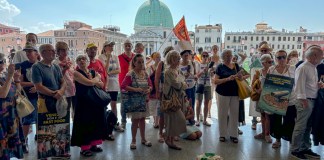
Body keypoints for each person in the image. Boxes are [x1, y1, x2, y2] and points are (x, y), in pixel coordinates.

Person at [290, 45, 323, 159]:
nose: (322, 57)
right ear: (314, 56)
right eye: (321, 55)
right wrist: (303, 100)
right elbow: (299, 85)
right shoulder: (303, 67)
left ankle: (304, 148)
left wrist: (318, 85)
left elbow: (308, 84)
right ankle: (295, 150)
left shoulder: (313, 67)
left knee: (308, 126)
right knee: (301, 125)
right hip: (305, 101)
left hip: (311, 100)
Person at [71, 54, 105, 157]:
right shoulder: (76, 73)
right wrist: (97, 78)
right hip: (83, 102)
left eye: (84, 59)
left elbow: (101, 85)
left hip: (94, 101)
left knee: (94, 122)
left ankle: (94, 145)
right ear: (77, 62)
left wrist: (94, 80)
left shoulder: (92, 72)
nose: (82, 61)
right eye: (79, 59)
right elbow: (89, 83)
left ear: (87, 61)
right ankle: (84, 148)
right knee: (84, 124)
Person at [121, 54, 152, 150]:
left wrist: (149, 90)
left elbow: (150, 85)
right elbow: (123, 86)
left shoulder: (145, 73)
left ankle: (143, 139)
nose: (141, 64)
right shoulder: (130, 74)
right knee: (135, 121)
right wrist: (136, 89)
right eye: (139, 62)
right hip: (134, 102)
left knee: (143, 120)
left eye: (142, 62)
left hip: (143, 101)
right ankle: (133, 140)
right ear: (134, 63)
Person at [268, 50, 297, 148]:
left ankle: (290, 140)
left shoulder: (293, 68)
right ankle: (277, 140)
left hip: (290, 100)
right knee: (276, 121)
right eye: (279, 57)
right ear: (275, 59)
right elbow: (267, 85)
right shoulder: (271, 69)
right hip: (276, 101)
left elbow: (298, 83)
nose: (281, 59)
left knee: (289, 121)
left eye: (283, 57)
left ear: (287, 58)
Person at [214, 50, 244, 143]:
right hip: (223, 93)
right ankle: (222, 134)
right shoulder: (220, 67)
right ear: (222, 57)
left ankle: (234, 135)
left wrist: (239, 76)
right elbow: (215, 81)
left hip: (235, 93)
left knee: (234, 114)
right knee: (222, 114)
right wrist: (227, 79)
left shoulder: (236, 65)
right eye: (226, 55)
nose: (228, 57)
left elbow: (242, 78)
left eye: (230, 55)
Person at [0, 54, 25, 159]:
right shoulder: (7, 75)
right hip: (2, 118)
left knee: (10, 145)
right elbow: (3, 94)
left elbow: (18, 91)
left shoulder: (4, 75)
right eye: (1, 61)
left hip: (11, 115)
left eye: (3, 61)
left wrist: (17, 79)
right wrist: (10, 76)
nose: (3, 63)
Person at [98, 41, 124, 136]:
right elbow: (104, 70)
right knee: (104, 105)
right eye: (109, 46)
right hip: (105, 85)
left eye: (112, 45)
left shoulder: (116, 57)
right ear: (105, 47)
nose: (111, 47)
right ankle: (105, 124)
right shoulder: (101, 57)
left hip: (114, 84)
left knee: (114, 105)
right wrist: (108, 58)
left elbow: (119, 70)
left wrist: (110, 72)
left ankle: (114, 123)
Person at [163, 50, 187, 150]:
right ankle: (169, 139)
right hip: (171, 98)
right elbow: (177, 84)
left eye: (178, 58)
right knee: (176, 119)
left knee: (174, 120)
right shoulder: (168, 71)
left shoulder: (177, 70)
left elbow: (183, 82)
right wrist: (183, 85)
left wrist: (183, 85)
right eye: (176, 58)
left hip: (178, 97)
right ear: (171, 59)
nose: (178, 60)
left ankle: (170, 139)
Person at [17, 42, 39, 153]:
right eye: (27, 52)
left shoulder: (40, 65)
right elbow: (20, 82)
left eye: (30, 51)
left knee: (40, 118)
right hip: (28, 97)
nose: (28, 54)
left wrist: (38, 86)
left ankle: (39, 138)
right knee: (27, 120)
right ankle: (23, 142)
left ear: (36, 53)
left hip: (41, 97)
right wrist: (35, 85)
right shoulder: (23, 65)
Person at [155, 46, 174, 143]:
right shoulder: (161, 64)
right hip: (163, 92)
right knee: (162, 114)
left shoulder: (175, 65)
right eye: (169, 52)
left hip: (173, 93)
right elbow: (157, 78)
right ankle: (160, 133)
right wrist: (157, 91)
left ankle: (170, 133)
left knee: (172, 113)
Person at [253, 54, 273, 143]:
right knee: (262, 115)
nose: (270, 63)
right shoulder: (258, 72)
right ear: (263, 63)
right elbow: (253, 84)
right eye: (269, 61)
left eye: (271, 61)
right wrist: (257, 91)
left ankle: (267, 134)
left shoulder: (273, 71)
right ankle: (263, 133)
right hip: (260, 97)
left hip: (269, 97)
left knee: (268, 116)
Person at [53, 42, 76, 118]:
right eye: (62, 50)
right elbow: (56, 78)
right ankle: (66, 128)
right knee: (66, 110)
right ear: (58, 51)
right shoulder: (55, 63)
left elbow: (74, 73)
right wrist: (64, 69)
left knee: (75, 110)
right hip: (64, 90)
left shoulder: (70, 60)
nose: (65, 52)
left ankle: (74, 127)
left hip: (74, 88)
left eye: (66, 50)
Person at [118, 39, 135, 129]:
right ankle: (123, 122)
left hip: (134, 84)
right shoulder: (119, 57)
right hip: (123, 84)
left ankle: (134, 121)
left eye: (129, 45)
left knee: (134, 103)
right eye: (126, 45)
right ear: (123, 47)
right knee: (124, 104)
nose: (128, 47)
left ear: (132, 46)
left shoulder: (135, 57)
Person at [179, 41, 196, 124]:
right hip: (183, 87)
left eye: (187, 55)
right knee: (183, 104)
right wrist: (184, 77)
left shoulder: (192, 63)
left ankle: (191, 118)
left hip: (192, 86)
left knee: (191, 103)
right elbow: (178, 77)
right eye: (185, 55)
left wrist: (192, 76)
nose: (186, 57)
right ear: (181, 56)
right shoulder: (179, 65)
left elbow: (194, 74)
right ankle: (183, 119)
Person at [195, 52, 213, 126]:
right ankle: (198, 120)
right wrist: (203, 71)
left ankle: (205, 120)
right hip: (200, 84)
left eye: (206, 56)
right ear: (201, 57)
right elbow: (197, 76)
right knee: (199, 102)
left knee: (206, 102)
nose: (205, 57)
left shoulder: (209, 65)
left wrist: (211, 72)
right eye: (204, 56)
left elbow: (212, 76)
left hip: (208, 85)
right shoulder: (198, 64)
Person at [147, 52, 161, 128]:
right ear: (154, 58)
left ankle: (157, 122)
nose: (159, 59)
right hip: (152, 89)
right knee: (153, 105)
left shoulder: (162, 68)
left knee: (158, 105)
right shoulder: (150, 68)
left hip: (159, 88)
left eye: (159, 57)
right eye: (157, 57)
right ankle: (155, 121)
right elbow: (148, 78)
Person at [208, 45, 220, 118]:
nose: (215, 50)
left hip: (217, 79)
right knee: (210, 97)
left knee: (218, 96)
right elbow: (208, 68)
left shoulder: (220, 58)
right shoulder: (210, 58)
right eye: (214, 49)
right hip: (211, 79)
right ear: (212, 50)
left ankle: (219, 112)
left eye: (216, 49)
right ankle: (209, 112)